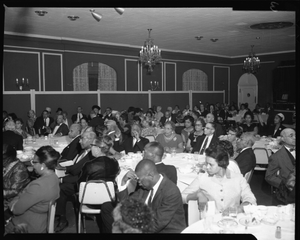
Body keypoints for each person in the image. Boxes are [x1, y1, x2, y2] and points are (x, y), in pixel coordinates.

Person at [181, 145, 257, 214]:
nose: (207, 167)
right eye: (206, 163)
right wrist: (198, 195)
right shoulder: (202, 178)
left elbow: (251, 199)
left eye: (210, 164)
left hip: (232, 222)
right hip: (209, 222)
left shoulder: (238, 178)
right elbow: (181, 197)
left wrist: (239, 209)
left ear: (222, 163)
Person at [118, 159, 186, 233]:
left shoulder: (170, 192)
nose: (138, 182)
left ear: (150, 175)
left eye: (139, 179)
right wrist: (123, 182)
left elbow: (156, 224)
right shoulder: (145, 187)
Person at [5, 146, 60, 233]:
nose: (32, 165)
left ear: (42, 165)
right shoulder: (54, 178)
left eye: (34, 162)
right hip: (40, 221)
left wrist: (17, 199)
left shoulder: (38, 185)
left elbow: (16, 210)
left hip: (25, 226)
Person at [54, 131, 97, 232]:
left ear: (91, 141)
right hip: (76, 178)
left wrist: (61, 179)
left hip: (83, 184)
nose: (79, 141)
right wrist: (64, 169)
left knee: (61, 188)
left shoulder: (92, 155)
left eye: (82, 139)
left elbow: (81, 176)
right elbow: (76, 168)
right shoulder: (84, 151)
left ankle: (62, 218)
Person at [77, 135, 120, 233]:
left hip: (90, 202)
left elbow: (80, 184)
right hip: (110, 201)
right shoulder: (114, 163)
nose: (91, 147)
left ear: (97, 149)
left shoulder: (89, 165)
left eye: (92, 145)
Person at [265, 128, 295, 204]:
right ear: (283, 139)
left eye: (295, 135)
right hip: (289, 193)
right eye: (291, 136)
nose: (295, 137)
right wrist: (284, 185)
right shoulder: (276, 157)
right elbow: (269, 176)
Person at [3, 144, 31, 211]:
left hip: (12, 201)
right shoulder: (5, 165)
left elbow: (15, 191)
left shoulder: (19, 168)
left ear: (9, 158)